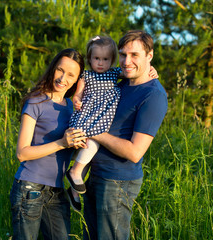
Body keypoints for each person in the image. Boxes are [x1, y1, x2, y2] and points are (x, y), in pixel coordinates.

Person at [83, 30, 168, 240]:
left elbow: (135, 152)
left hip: (118, 181)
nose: (126, 61)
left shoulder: (153, 96)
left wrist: (93, 130)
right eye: (122, 54)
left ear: (150, 56)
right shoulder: (121, 84)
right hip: (96, 175)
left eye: (134, 55)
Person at [65, 36, 158, 212]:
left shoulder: (114, 74)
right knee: (88, 147)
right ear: (90, 58)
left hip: (102, 126)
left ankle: (74, 186)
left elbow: (136, 71)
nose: (100, 63)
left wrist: (151, 69)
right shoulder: (86, 76)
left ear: (112, 60)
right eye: (96, 59)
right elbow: (77, 94)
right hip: (89, 117)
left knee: (89, 152)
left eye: (106, 59)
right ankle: (74, 175)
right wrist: (77, 101)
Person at [10, 48, 87, 240]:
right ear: (53, 68)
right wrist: (62, 142)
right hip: (29, 190)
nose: (63, 78)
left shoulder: (72, 106)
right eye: (60, 70)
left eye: (71, 75)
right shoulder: (35, 101)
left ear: (78, 80)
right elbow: (22, 153)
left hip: (57, 191)